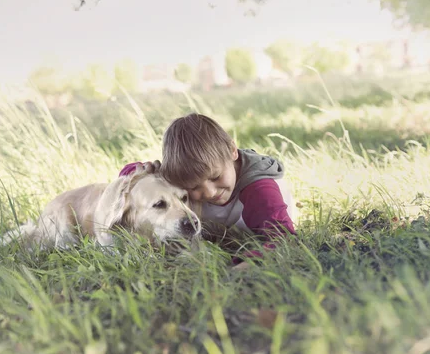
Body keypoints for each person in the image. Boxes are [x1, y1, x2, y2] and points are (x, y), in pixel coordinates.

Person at [119, 113, 297, 263]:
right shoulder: (185, 175)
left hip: (258, 222)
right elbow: (129, 175)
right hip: (220, 231)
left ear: (232, 151)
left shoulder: (259, 189)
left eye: (215, 177)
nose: (210, 192)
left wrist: (243, 263)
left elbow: (283, 239)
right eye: (194, 186)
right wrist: (139, 173)